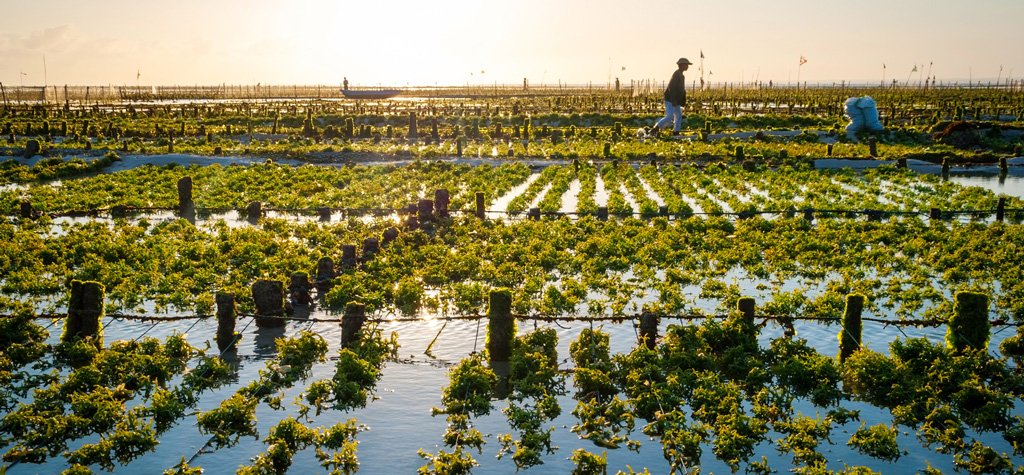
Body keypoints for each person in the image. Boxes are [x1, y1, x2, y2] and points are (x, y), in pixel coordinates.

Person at [650, 57, 692, 136]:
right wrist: (673, 100)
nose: (687, 66)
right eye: (686, 65)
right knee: (670, 116)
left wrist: (682, 100)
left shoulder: (681, 75)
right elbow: (671, 88)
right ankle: (656, 128)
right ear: (681, 65)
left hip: (676, 100)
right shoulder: (676, 74)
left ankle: (676, 132)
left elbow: (681, 89)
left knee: (678, 116)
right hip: (670, 99)